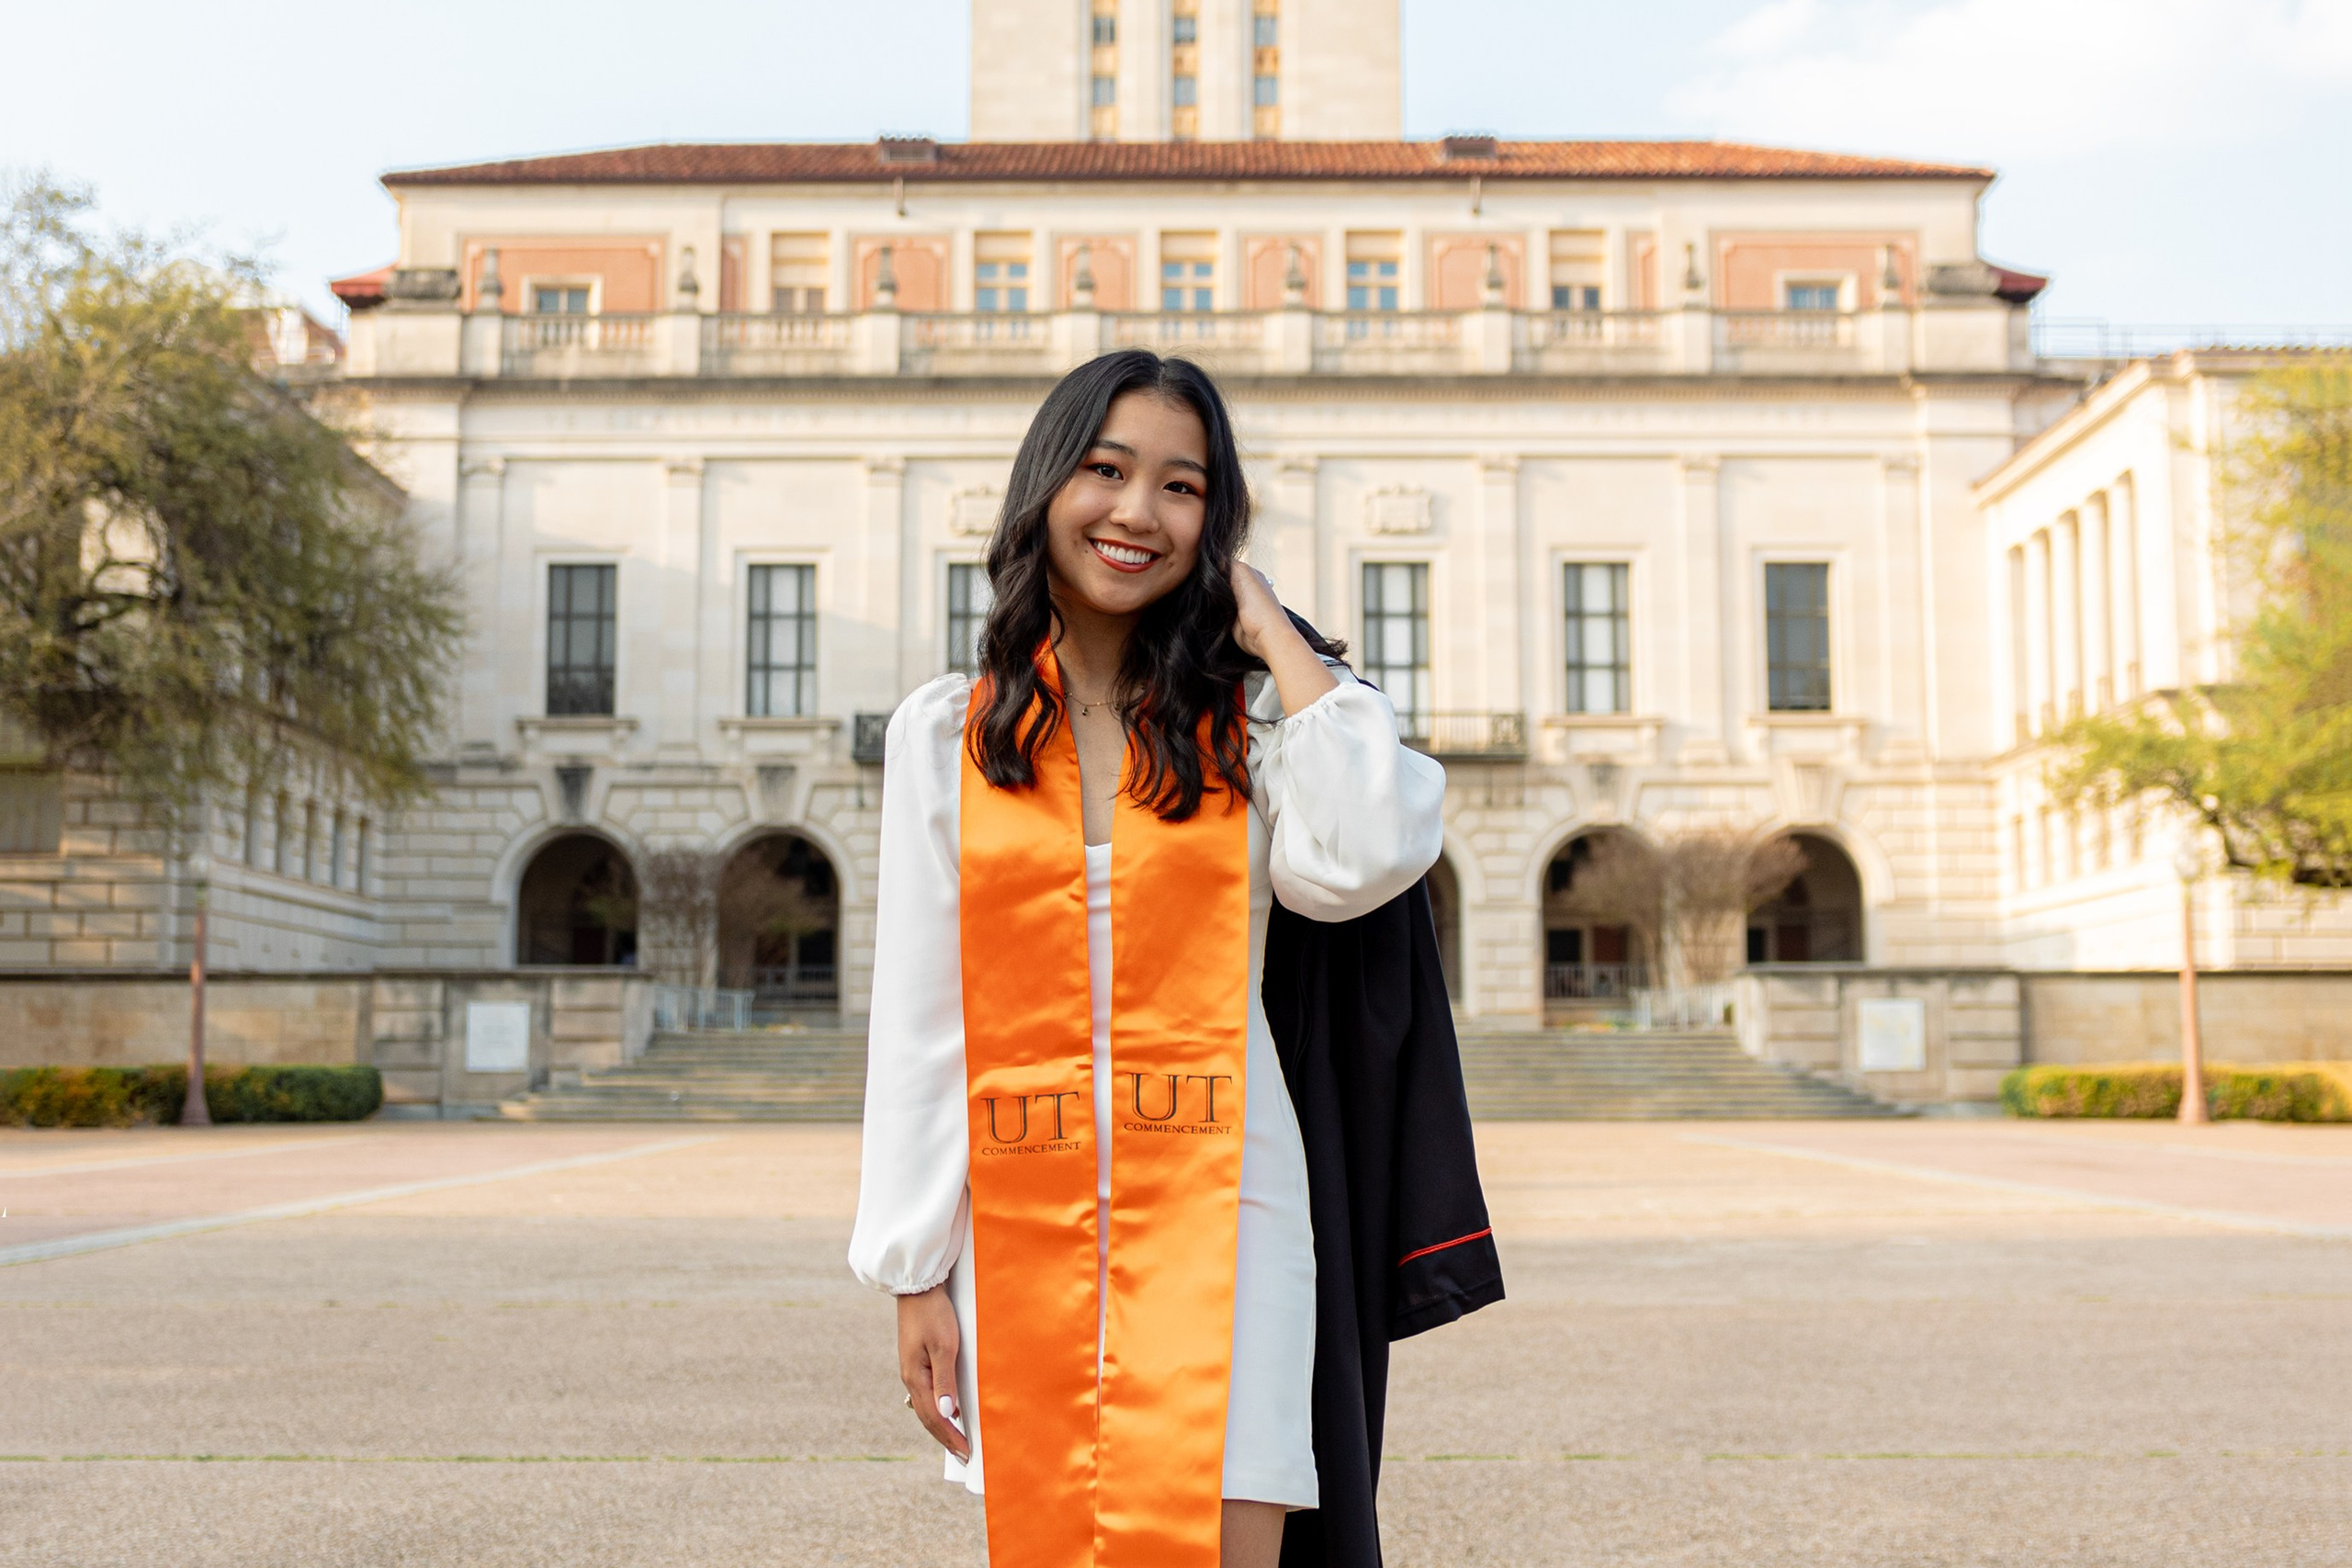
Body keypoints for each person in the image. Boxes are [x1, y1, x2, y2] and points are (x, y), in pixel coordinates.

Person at [848, 350, 1460, 1568]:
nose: (1138, 512)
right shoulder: (950, 733)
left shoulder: (1252, 725)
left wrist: (1269, 627)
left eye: (1183, 488)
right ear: (1045, 487)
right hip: (1023, 1207)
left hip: (1227, 1196)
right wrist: (916, 1265)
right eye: (1107, 469)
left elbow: (1369, 851)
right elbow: (923, 1014)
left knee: (1230, 1527)